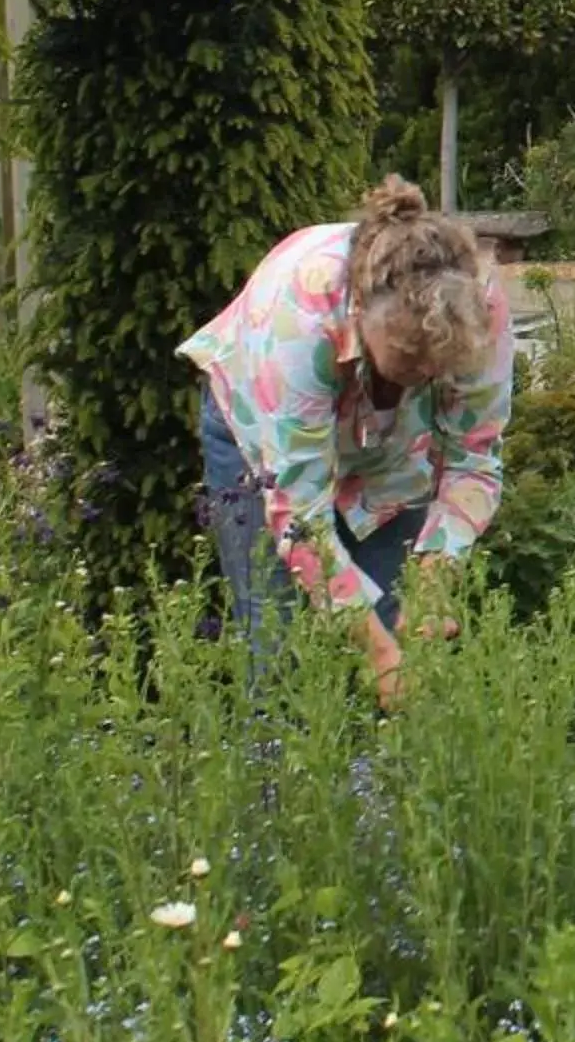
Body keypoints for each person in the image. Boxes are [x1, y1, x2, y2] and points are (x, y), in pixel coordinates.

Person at [177, 177, 514, 707]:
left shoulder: (477, 304)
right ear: (360, 314)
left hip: (389, 448)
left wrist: (434, 576)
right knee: (284, 653)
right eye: (408, 358)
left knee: (404, 630)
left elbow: (474, 458)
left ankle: (379, 784)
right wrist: (380, 658)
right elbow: (301, 518)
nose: (425, 374)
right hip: (264, 437)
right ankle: (282, 776)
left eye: (439, 366)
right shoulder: (303, 318)